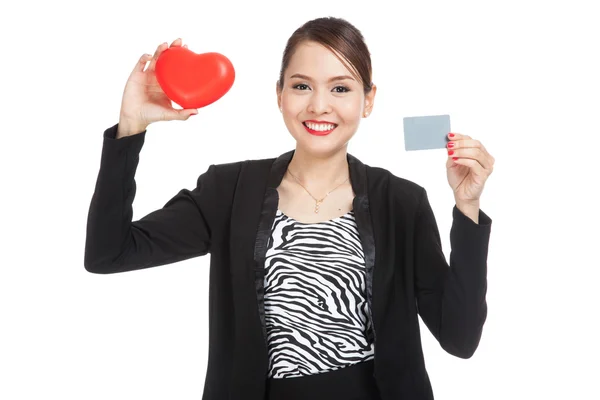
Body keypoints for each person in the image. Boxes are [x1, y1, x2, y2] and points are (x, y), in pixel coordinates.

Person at [85, 16, 494, 400]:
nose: (319, 106)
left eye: (340, 88)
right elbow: (109, 252)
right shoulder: (229, 191)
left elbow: (460, 338)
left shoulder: (401, 202)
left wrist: (467, 206)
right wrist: (130, 128)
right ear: (278, 94)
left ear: (368, 100)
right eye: (301, 86)